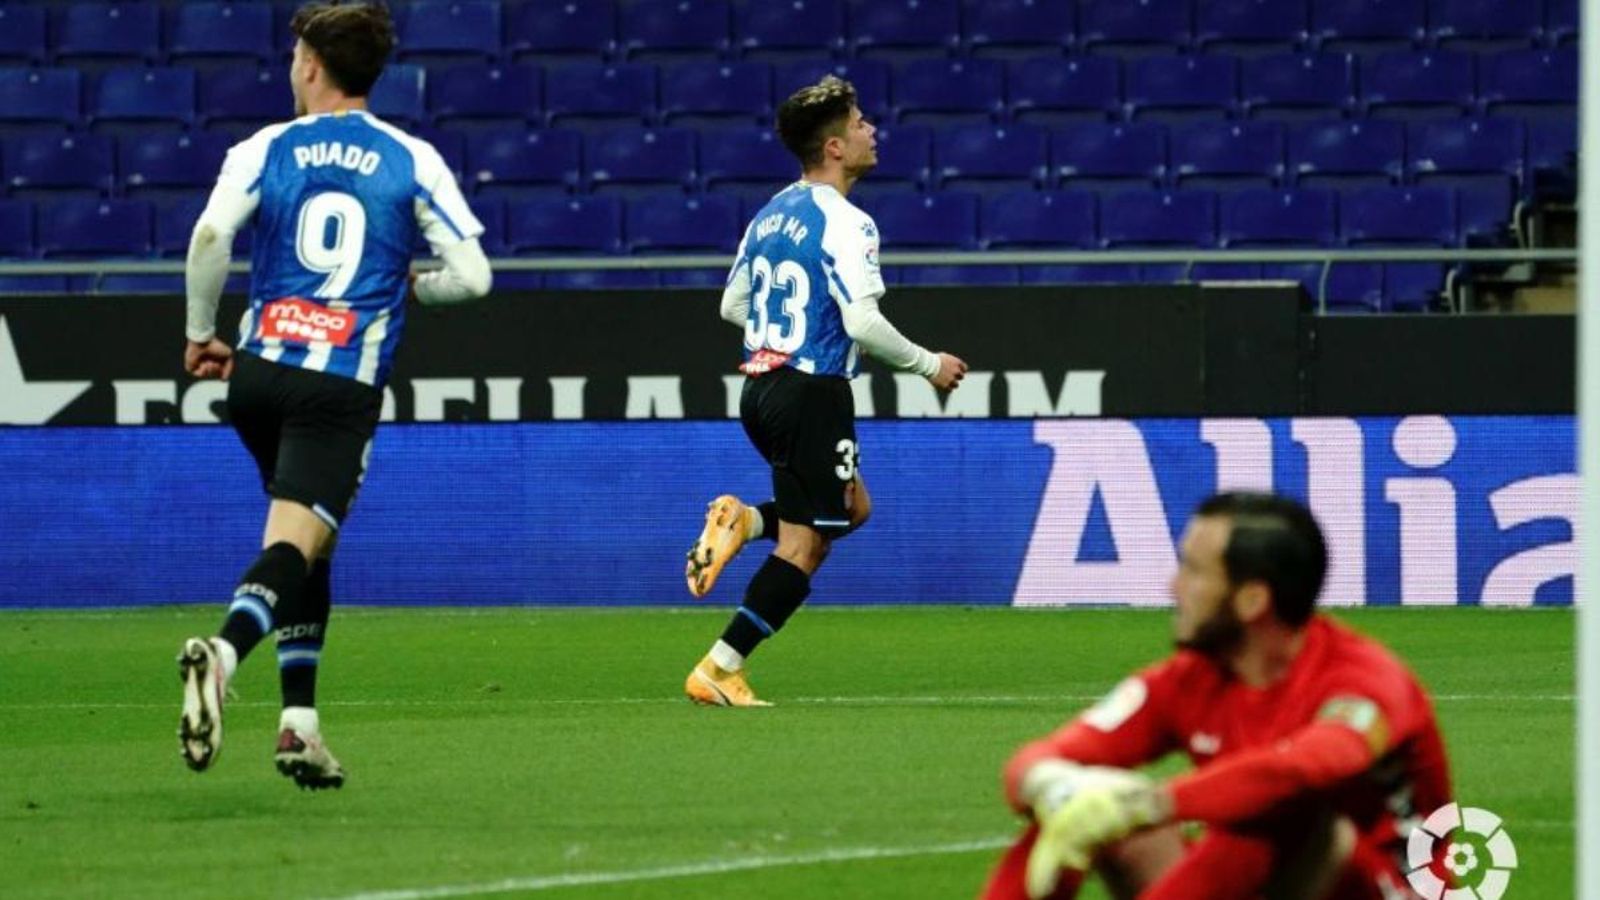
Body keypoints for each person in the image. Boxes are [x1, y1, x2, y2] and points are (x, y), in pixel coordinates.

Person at [177, 1, 491, 789]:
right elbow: (476, 279)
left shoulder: (264, 147)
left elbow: (210, 239)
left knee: (309, 539)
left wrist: (198, 331)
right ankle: (221, 654)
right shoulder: (410, 157)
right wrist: (414, 288)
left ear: (312, 65)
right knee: (295, 544)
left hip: (255, 372)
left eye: (294, 58)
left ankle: (300, 726)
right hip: (337, 382)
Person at [979, 492, 1452, 900]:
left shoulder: (1364, 679)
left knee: (1283, 816)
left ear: (1251, 600)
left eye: (1193, 571)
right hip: (1265, 881)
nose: (1173, 588)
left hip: (1396, 887)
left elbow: (1304, 768)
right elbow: (1037, 759)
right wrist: (1059, 789)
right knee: (1080, 803)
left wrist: (1150, 804)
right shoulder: (1191, 679)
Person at [681, 75, 968, 708]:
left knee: (851, 510)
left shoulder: (771, 213)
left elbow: (734, 304)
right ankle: (718, 669)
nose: (872, 131)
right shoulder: (849, 222)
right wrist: (929, 365)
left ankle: (744, 521)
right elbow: (862, 321)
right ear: (835, 147)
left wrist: (779, 337)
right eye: (862, 123)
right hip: (811, 391)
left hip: (762, 390)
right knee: (805, 546)